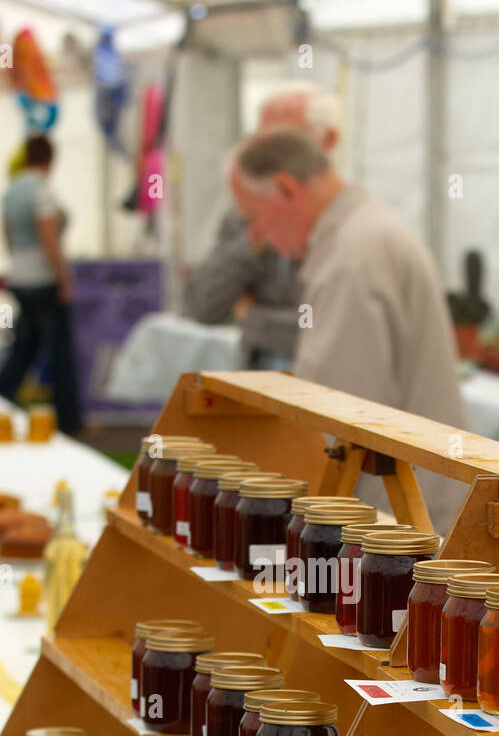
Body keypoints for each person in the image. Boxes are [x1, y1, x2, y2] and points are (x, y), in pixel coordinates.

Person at [228, 126, 465, 525]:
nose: (256, 236)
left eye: (253, 217)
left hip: (397, 520)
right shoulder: (362, 231)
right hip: (411, 502)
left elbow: (333, 419)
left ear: (287, 190)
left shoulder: (351, 259)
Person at [183, 85, 342, 370]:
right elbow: (200, 306)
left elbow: (328, 327)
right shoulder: (245, 217)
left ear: (327, 142)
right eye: (262, 143)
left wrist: (254, 316)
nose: (268, 160)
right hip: (261, 374)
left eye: (287, 143)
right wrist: (255, 236)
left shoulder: (347, 224)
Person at [0, 134, 82, 436]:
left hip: (19, 276)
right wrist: (64, 277)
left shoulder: (10, 191)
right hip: (43, 279)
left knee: (22, 350)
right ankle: (69, 423)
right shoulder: (43, 192)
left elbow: (5, 235)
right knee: (60, 353)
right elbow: (49, 239)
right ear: (50, 160)